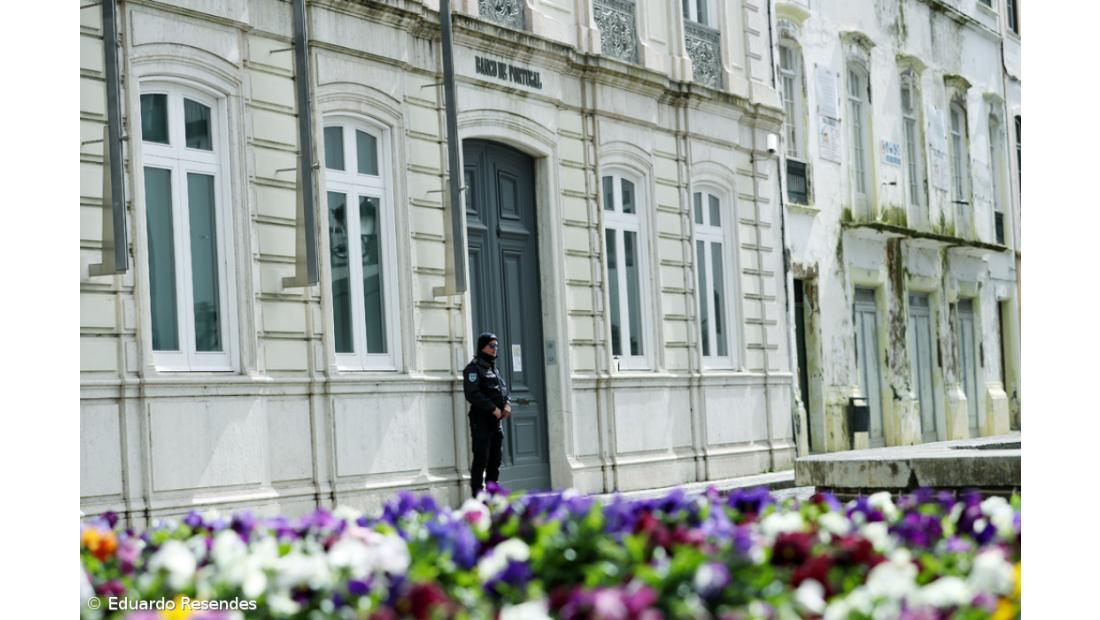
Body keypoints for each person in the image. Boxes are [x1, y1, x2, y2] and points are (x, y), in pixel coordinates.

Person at [463, 332, 512, 496]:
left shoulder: (494, 369)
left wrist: (507, 404)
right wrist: (493, 408)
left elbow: (503, 390)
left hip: (496, 422)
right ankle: (477, 496)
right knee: (481, 459)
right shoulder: (473, 369)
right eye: (492, 346)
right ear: (482, 346)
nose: (495, 349)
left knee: (495, 460)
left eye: (496, 346)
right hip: (481, 420)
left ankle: (492, 495)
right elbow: (472, 394)